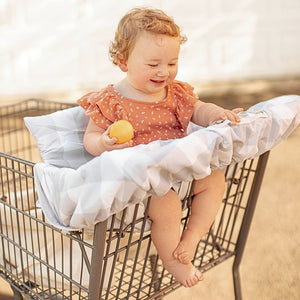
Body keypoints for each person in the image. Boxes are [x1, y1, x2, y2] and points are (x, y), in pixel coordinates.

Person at [78, 7, 243, 288]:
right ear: (123, 61)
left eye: (172, 63)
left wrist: (216, 114)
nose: (164, 72)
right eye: (153, 64)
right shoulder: (110, 100)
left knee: (214, 179)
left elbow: (198, 110)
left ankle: (190, 238)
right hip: (142, 178)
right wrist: (104, 143)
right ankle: (173, 260)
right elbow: (90, 139)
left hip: (177, 167)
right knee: (166, 204)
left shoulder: (177, 92)